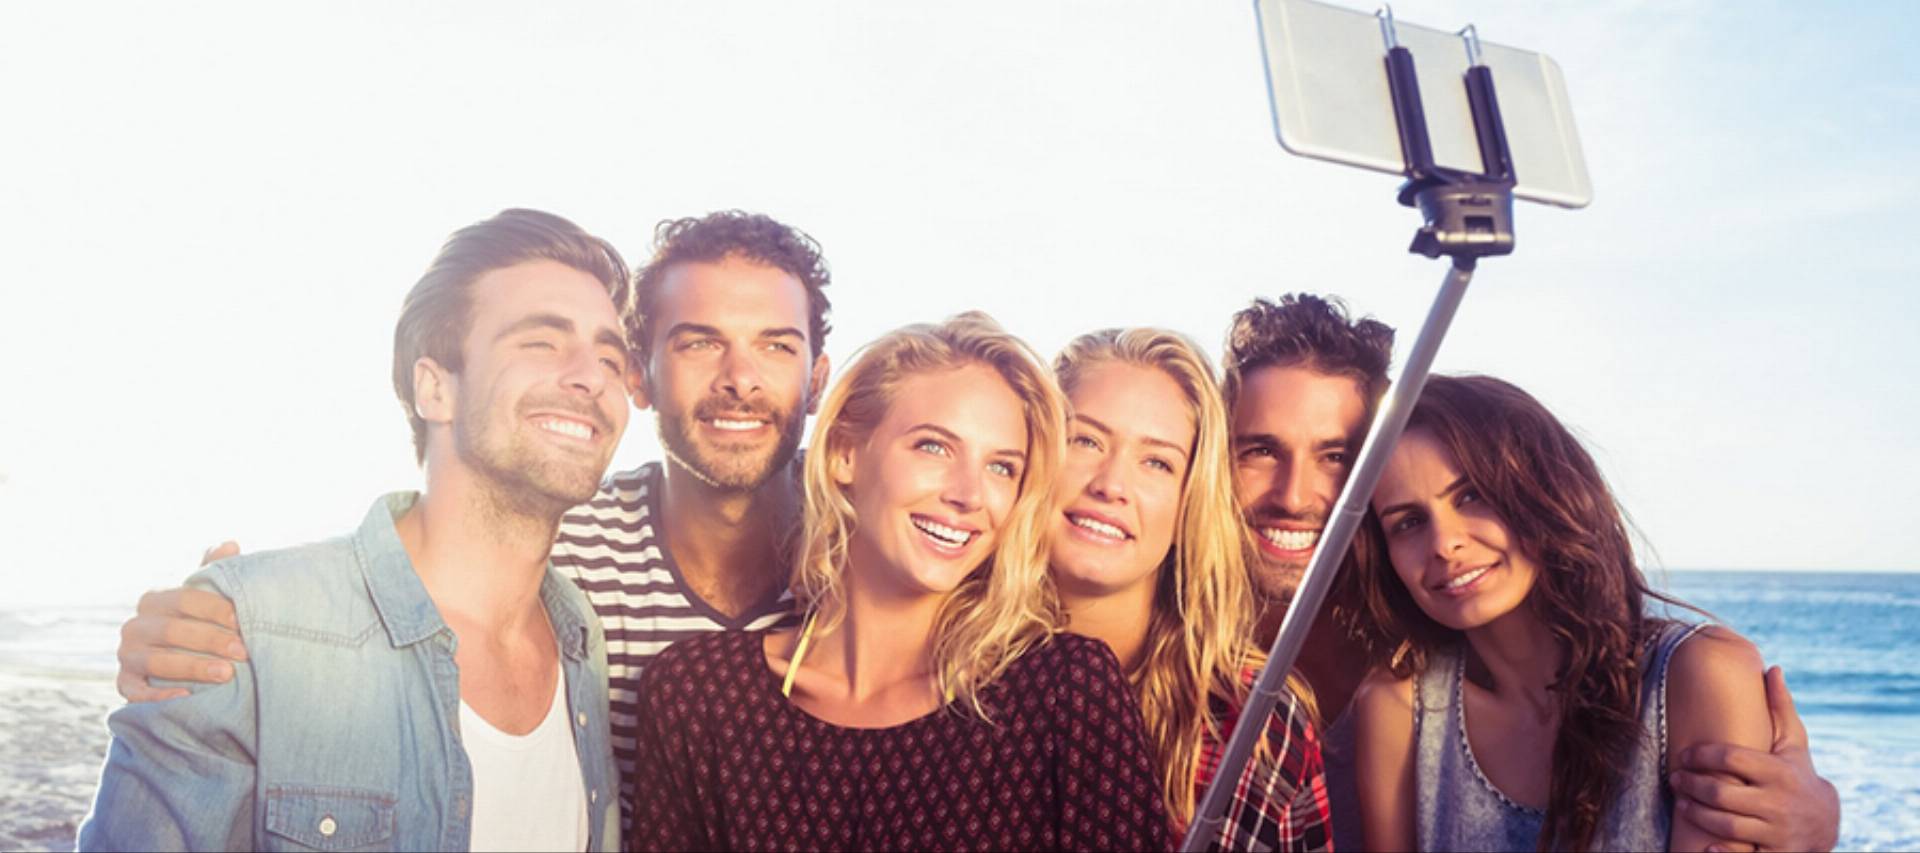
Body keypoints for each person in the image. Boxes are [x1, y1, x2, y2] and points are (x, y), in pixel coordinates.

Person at [107, 211, 834, 833]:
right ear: (642, 377)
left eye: (776, 344)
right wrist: (228, 618)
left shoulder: (879, 552)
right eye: (700, 341)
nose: (741, 377)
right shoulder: (565, 557)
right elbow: (403, 572)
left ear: (820, 378)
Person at [78, 209, 633, 851]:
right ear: (436, 389)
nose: (592, 377)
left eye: (611, 359)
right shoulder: (251, 627)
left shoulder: (580, 639)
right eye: (542, 342)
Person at [1221, 294, 1842, 851]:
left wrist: (1815, 826)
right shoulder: (1384, 698)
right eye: (1260, 450)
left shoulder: (1694, 674)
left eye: (1336, 457)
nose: (1297, 493)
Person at [626, 313, 1172, 851]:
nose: (969, 495)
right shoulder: (700, 697)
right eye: (934, 447)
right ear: (844, 452)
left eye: (1002, 468)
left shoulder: (1065, 692)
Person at [1347, 374, 1771, 851]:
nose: (1445, 545)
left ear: (1540, 489)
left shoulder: (1700, 675)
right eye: (1408, 523)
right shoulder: (1399, 708)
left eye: (1471, 496)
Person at [1050, 328, 1329, 851]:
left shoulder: (1251, 719)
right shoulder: (939, 667)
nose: (1111, 485)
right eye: (1084, 440)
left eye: (1157, 462)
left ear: (1189, 505)